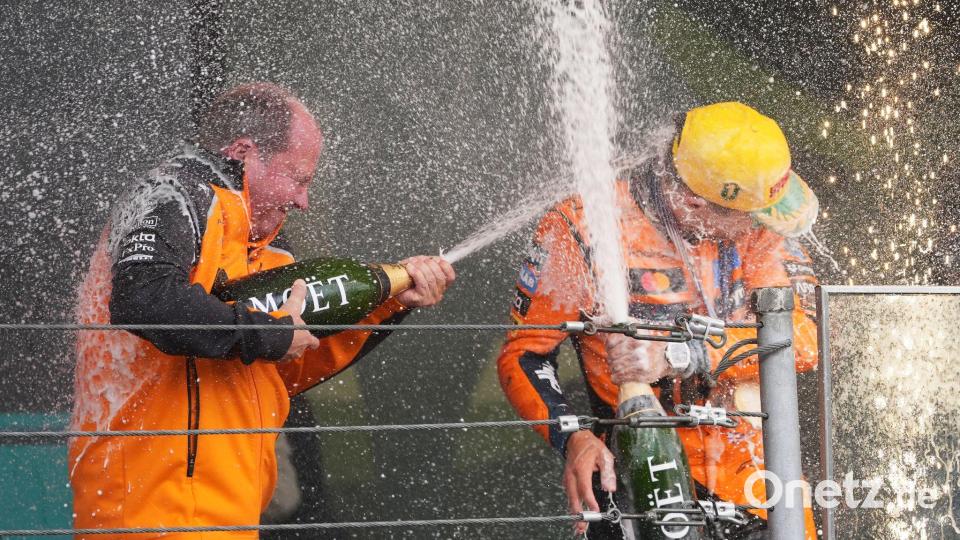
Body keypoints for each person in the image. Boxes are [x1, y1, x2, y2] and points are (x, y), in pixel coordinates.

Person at [69, 82, 455, 539]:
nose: (303, 200)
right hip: (150, 515)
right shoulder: (171, 191)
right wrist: (266, 335)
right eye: (299, 177)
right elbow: (144, 299)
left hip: (227, 518)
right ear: (245, 152)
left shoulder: (265, 249)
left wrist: (388, 306)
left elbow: (278, 370)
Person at [496, 102, 820, 539]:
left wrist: (678, 354)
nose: (762, 227)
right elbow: (525, 354)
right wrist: (572, 437)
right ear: (691, 202)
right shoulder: (583, 226)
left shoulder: (764, 227)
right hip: (643, 480)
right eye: (751, 218)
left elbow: (803, 341)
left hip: (760, 479)